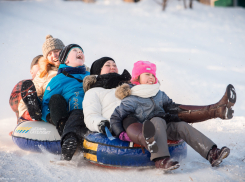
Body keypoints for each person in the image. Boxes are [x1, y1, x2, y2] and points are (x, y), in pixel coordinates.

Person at [110, 60, 236, 171]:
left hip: (164, 126)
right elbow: (116, 117)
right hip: (148, 132)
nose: (151, 78)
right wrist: (122, 134)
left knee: (182, 126)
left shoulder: (159, 94)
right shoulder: (131, 98)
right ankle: (161, 160)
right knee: (157, 120)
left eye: (153, 75)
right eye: (147, 74)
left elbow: (171, 106)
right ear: (137, 78)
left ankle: (212, 153)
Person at [41, 44, 90, 161]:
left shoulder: (90, 76)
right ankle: (69, 139)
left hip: (90, 111)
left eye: (81, 51)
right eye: (75, 50)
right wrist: (48, 116)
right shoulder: (58, 79)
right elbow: (46, 102)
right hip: (68, 115)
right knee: (55, 98)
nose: (79, 52)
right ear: (66, 59)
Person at [18, 35, 65, 121]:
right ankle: (35, 112)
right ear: (46, 58)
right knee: (41, 97)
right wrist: (25, 113)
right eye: (49, 54)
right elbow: (25, 99)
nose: (54, 55)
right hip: (51, 109)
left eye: (57, 51)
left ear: (65, 52)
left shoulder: (79, 67)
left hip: (72, 103)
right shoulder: (44, 74)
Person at [82, 57, 131, 134]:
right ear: (98, 71)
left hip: (133, 125)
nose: (112, 67)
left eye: (114, 65)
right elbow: (91, 115)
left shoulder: (127, 88)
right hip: (111, 129)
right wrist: (101, 123)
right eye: (108, 65)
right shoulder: (93, 92)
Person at [9, 55, 42, 123]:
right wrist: (30, 94)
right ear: (31, 72)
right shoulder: (25, 84)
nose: (42, 68)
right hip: (27, 123)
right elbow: (13, 103)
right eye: (39, 65)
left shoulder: (52, 81)